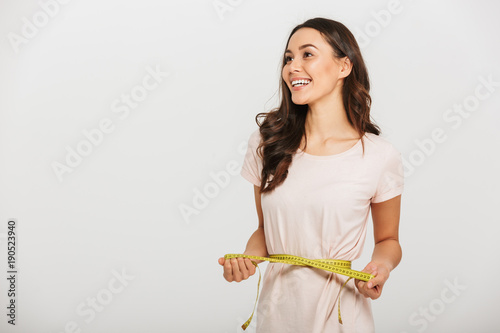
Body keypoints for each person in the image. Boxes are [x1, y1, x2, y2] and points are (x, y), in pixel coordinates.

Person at [218, 17, 404, 332]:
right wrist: (248, 259)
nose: (292, 66)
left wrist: (380, 266)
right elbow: (265, 229)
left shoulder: (379, 155)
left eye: (307, 54)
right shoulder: (268, 144)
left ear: (344, 66)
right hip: (277, 316)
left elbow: (388, 239)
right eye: (288, 58)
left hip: (342, 317)